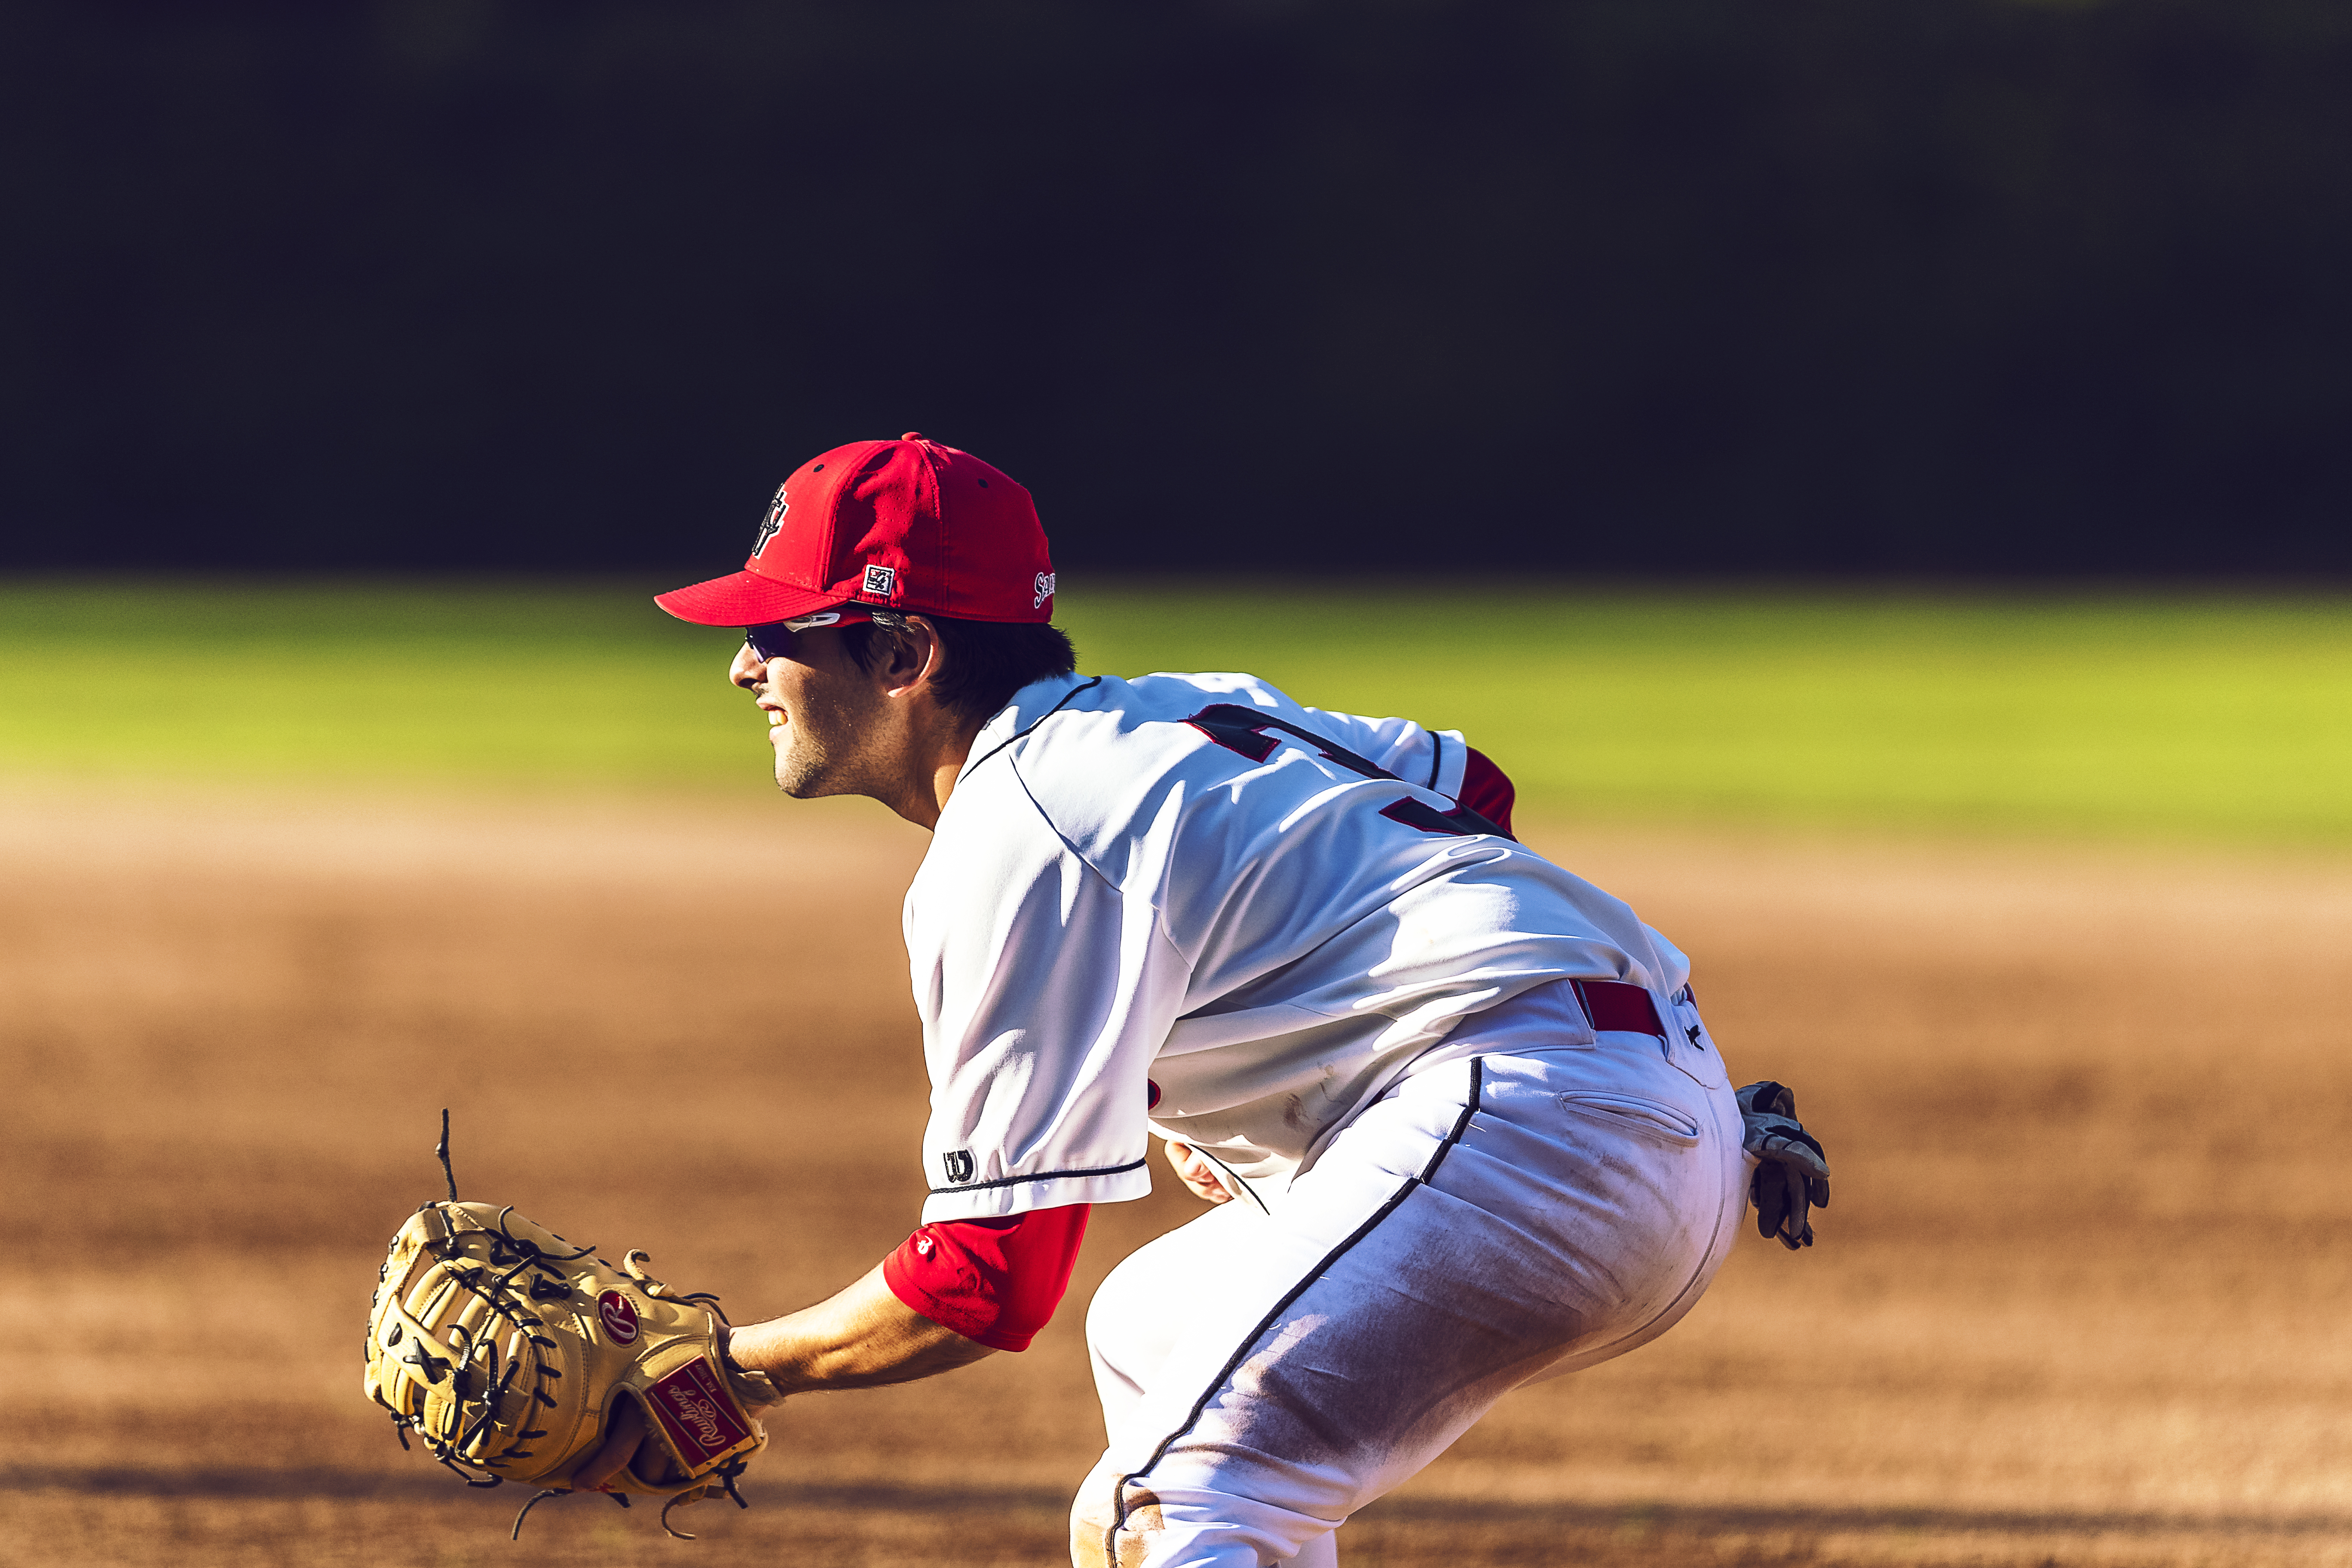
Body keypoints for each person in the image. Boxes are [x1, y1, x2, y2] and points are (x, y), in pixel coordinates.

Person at [579, 432, 1829, 1567]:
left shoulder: (1015, 833)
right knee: (1153, 1329)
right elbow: (1473, 793)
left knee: (1179, 1499)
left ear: (905, 654)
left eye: (782, 633)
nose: (745, 665)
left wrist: (733, 1371)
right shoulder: (1184, 712)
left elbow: (982, 1284)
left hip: (1531, 1136)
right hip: (1644, 1119)